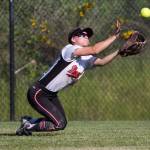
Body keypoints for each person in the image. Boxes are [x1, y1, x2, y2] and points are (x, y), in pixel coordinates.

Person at [16, 21, 121, 136]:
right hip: (38, 92)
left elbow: (102, 62)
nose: (87, 36)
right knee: (59, 123)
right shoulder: (70, 49)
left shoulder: (86, 59)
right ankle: (27, 127)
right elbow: (95, 49)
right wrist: (114, 37)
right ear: (74, 39)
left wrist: (119, 52)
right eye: (83, 35)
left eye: (88, 35)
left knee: (62, 123)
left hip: (51, 95)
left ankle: (29, 121)